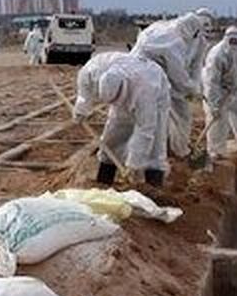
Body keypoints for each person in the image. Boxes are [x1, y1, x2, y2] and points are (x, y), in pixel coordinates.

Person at [73, 53, 169, 186]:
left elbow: (145, 129)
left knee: (155, 143)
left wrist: (133, 164)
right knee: (112, 137)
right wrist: (81, 109)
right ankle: (104, 181)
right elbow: (84, 87)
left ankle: (153, 185)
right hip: (131, 83)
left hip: (156, 90)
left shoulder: (146, 92)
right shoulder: (95, 69)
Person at [133, 13, 204, 158]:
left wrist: (192, 88)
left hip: (139, 73)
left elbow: (192, 67)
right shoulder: (174, 42)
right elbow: (178, 75)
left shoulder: (160, 27)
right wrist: (192, 91)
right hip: (151, 77)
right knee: (167, 114)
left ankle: (164, 149)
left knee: (145, 115)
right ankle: (174, 151)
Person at [202, 26, 237, 160]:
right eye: (231, 42)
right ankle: (216, 151)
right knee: (218, 121)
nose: (233, 45)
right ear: (225, 40)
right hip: (219, 88)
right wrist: (214, 105)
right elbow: (211, 83)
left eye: (236, 42)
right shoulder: (216, 56)